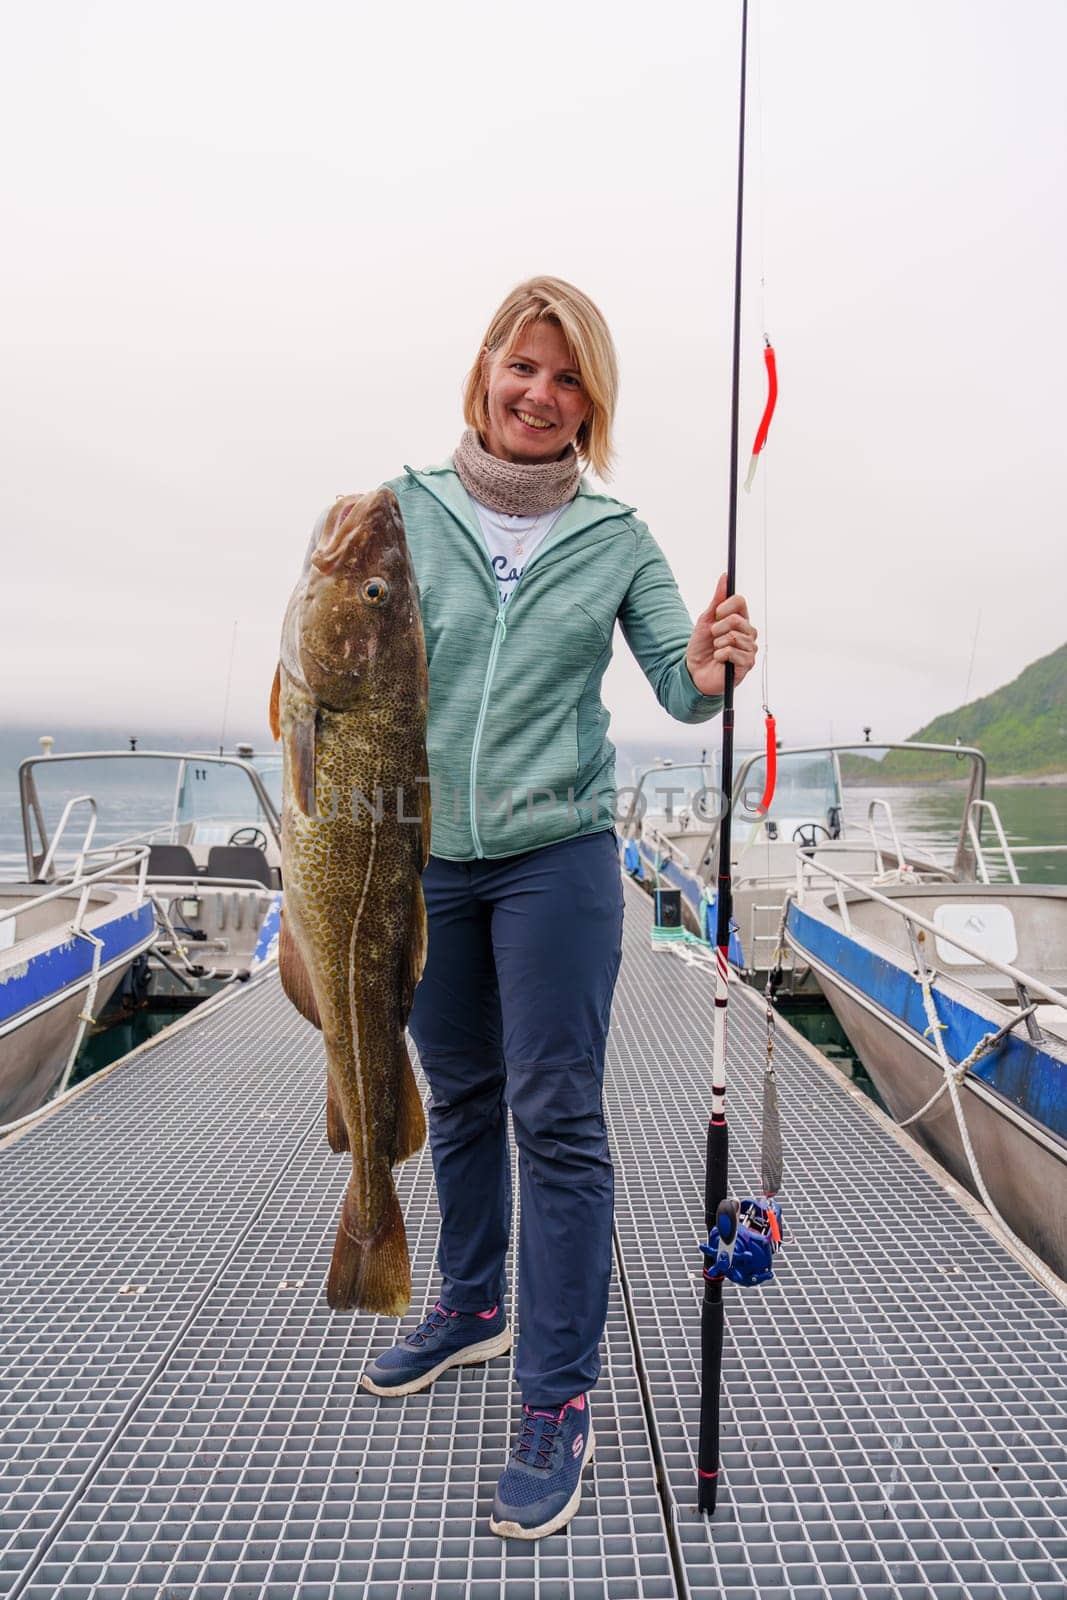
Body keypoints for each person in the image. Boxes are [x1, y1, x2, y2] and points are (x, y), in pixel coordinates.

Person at [358, 276, 757, 1540]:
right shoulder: (397, 514)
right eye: (520, 367)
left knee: (556, 1116)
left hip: (557, 856)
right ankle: (472, 1302)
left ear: (593, 402)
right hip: (421, 854)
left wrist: (704, 666)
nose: (539, 393)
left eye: (566, 377)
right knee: (462, 1093)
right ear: (481, 371)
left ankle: (554, 1393)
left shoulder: (617, 538)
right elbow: (334, 668)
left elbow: (680, 689)